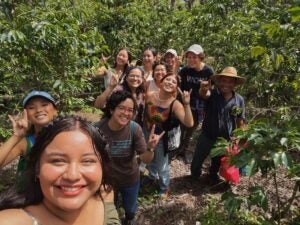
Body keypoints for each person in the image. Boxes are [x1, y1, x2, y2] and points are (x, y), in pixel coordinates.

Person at [0, 115, 121, 225]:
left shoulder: (105, 193)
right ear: (37, 168)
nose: (72, 175)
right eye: (58, 161)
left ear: (102, 167)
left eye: (87, 161)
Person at [95, 90, 163, 225]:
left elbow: (145, 159)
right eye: (121, 108)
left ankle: (129, 219)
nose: (126, 113)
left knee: (130, 210)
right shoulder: (97, 129)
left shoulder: (134, 128)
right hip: (107, 181)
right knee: (109, 209)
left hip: (129, 178)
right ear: (111, 109)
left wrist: (150, 148)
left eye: (130, 110)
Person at [191, 66, 246, 184]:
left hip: (225, 139)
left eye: (230, 81)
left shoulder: (239, 100)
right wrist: (203, 89)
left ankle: (212, 175)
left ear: (234, 83)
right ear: (219, 81)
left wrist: (239, 137)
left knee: (217, 160)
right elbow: (204, 94)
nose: (226, 84)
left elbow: (240, 120)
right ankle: (194, 176)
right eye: (223, 80)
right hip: (207, 134)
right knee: (198, 158)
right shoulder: (213, 94)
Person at [143, 73, 194, 199]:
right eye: (167, 79)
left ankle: (164, 187)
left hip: (160, 139)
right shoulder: (149, 96)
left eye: (173, 82)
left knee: (162, 165)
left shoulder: (175, 104)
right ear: (161, 82)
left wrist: (186, 104)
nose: (170, 82)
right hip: (146, 133)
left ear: (176, 88)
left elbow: (189, 123)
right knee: (148, 160)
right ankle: (151, 176)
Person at [0, 90, 58, 177]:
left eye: (44, 105)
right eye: (31, 107)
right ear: (26, 114)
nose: (38, 110)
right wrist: (16, 136)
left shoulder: (65, 136)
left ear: (55, 110)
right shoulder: (26, 142)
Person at [178, 44, 214, 163]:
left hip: (200, 105)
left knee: (191, 129)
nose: (191, 60)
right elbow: (180, 86)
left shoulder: (208, 71)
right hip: (186, 102)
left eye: (195, 57)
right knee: (182, 126)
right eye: (189, 57)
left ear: (201, 57)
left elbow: (211, 90)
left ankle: (185, 150)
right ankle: (179, 149)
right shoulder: (185, 70)